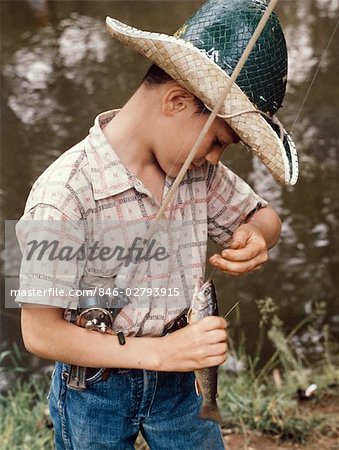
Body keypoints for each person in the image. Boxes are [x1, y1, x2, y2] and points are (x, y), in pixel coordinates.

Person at [15, 0, 298, 448]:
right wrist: (158, 353)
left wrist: (257, 236)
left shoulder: (196, 173)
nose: (214, 158)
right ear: (177, 101)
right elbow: (38, 332)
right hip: (93, 389)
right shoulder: (60, 194)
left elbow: (264, 217)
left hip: (181, 384)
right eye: (219, 142)